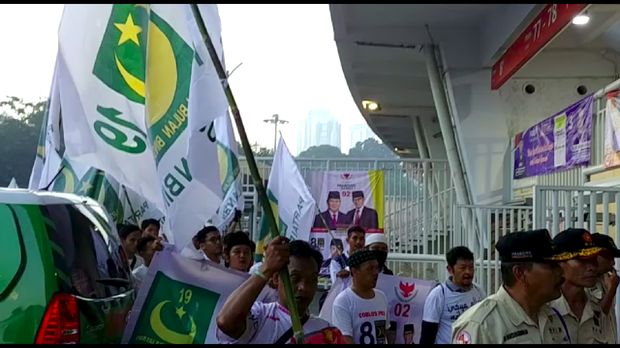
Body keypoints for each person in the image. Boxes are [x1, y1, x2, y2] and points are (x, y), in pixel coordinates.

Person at [216, 238, 347, 344]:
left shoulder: (329, 333)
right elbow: (225, 321)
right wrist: (266, 268)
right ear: (275, 279)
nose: (303, 287)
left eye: (312, 280)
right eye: (295, 278)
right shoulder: (260, 316)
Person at [451, 229, 570, 344]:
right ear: (520, 273)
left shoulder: (552, 316)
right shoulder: (481, 325)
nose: (561, 271)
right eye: (551, 266)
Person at [549, 228, 616, 344]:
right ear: (559, 263)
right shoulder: (545, 310)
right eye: (582, 260)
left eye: (594, 259)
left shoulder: (596, 310)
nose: (592, 267)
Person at [420, 246, 485, 344]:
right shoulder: (438, 295)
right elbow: (427, 336)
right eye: (462, 268)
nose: (468, 272)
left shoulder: (479, 292)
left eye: (471, 267)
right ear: (450, 269)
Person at [331, 249, 392, 344]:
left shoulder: (381, 297)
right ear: (354, 271)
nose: (375, 273)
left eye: (377, 268)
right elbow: (345, 340)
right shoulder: (343, 301)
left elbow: (385, 333)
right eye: (370, 268)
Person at [588, 233, 620, 317]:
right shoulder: (584, 282)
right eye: (608, 257)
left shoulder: (606, 279)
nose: (613, 262)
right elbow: (599, 316)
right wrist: (611, 290)